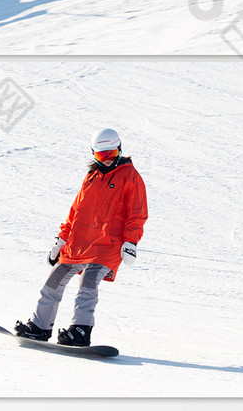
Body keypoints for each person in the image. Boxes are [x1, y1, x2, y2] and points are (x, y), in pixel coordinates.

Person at [15, 128, 148, 347]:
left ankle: (81, 330)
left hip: (108, 244)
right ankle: (40, 327)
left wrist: (131, 242)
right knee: (54, 280)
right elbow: (75, 211)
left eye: (111, 154)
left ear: (120, 149)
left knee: (88, 282)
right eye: (101, 155)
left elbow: (137, 212)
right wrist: (61, 239)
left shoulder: (130, 176)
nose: (106, 160)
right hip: (79, 243)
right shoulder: (91, 177)